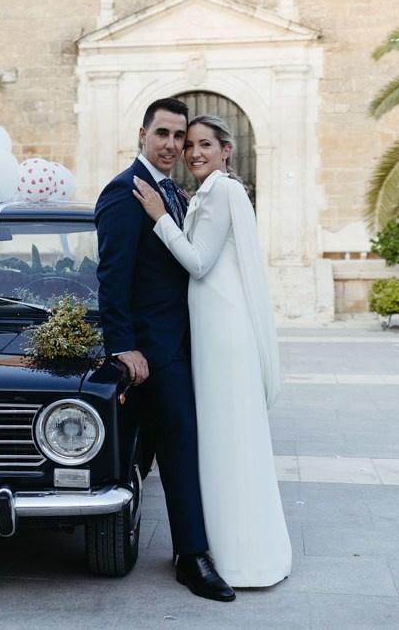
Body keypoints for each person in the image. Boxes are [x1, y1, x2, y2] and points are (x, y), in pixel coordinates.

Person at [132, 114, 292, 588]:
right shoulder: (203, 193)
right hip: (208, 331)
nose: (194, 152)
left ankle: (243, 557)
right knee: (223, 440)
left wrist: (161, 219)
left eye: (205, 144)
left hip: (224, 333)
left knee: (229, 439)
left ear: (227, 150)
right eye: (189, 145)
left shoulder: (223, 191)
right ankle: (227, 547)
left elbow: (199, 263)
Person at [95, 99, 235, 602]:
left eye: (180, 136)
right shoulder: (123, 192)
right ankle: (192, 558)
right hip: (153, 352)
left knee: (155, 448)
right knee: (178, 443)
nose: (174, 145)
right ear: (142, 134)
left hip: (181, 343)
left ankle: (177, 543)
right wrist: (124, 347)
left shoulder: (171, 191)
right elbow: (111, 276)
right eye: (164, 134)